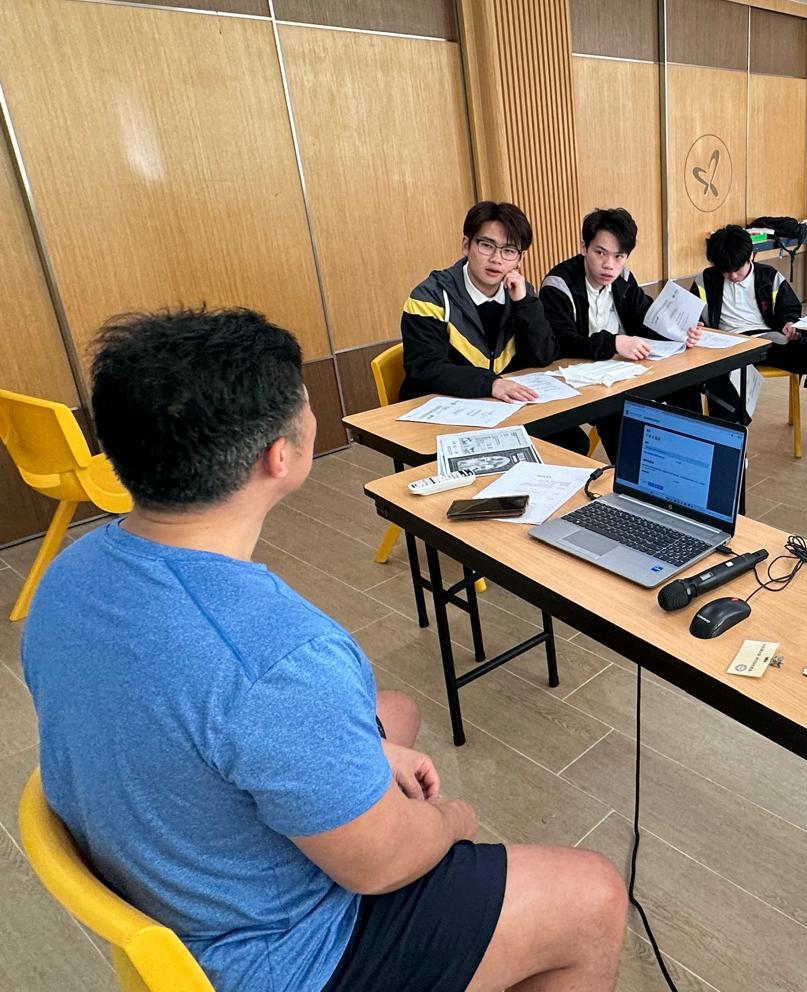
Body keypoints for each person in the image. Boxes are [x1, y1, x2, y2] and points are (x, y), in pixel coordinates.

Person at [22, 308, 627, 992]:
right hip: (279, 953)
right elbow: (381, 865)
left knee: (394, 712)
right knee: (594, 895)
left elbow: (233, 720)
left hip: (168, 876)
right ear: (279, 455)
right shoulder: (281, 658)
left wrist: (363, 755)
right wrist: (452, 820)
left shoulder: (66, 578)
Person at [540, 206, 701, 458]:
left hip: (625, 370)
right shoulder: (558, 285)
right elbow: (563, 342)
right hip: (581, 378)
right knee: (619, 409)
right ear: (584, 248)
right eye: (600, 253)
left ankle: (691, 460)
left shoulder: (623, 277)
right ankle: (631, 475)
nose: (609, 265)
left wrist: (681, 332)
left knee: (685, 385)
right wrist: (613, 343)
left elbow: (647, 318)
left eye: (619, 256)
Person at [692, 224, 807, 442]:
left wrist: (789, 323)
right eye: (725, 270)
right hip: (726, 347)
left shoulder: (769, 276)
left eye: (737, 269)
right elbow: (693, 315)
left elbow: (789, 308)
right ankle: (729, 437)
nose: (732, 275)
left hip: (766, 341)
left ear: (751, 256)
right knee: (714, 377)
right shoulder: (706, 280)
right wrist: (696, 326)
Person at [399, 201, 560, 404]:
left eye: (509, 250)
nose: (496, 259)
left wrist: (524, 304)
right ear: (466, 245)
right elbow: (426, 368)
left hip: (504, 406)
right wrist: (490, 384)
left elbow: (543, 357)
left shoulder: (520, 292)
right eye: (486, 245)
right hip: (442, 408)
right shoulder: (429, 298)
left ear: (520, 258)